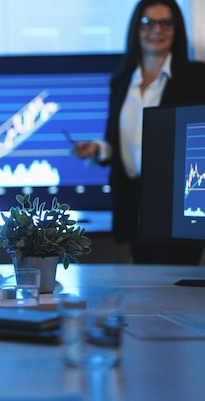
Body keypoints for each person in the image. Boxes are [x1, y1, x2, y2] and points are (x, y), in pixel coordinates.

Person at [73, 0, 205, 265]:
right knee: (143, 283)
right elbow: (117, 141)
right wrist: (99, 150)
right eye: (148, 22)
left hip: (177, 206)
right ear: (136, 28)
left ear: (176, 29)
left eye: (165, 23)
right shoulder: (122, 80)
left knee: (174, 286)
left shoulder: (196, 77)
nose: (156, 30)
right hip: (132, 200)